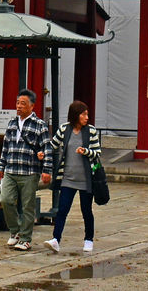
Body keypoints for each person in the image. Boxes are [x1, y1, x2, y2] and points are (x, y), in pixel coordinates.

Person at [42, 100, 102, 254]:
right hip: (67, 178)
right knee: (62, 210)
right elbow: (52, 146)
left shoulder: (91, 131)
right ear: (76, 115)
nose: (87, 117)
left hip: (86, 180)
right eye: (84, 114)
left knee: (86, 210)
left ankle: (88, 239)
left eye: (87, 114)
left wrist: (86, 151)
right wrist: (43, 152)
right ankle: (56, 239)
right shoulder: (64, 129)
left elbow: (97, 154)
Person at [0, 88, 50, 251]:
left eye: (23, 103)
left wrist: (47, 169)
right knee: (5, 200)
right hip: (11, 169)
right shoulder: (12, 124)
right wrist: (1, 166)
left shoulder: (39, 125)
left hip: (29, 172)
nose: (19, 106)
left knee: (28, 206)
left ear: (32, 106)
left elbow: (46, 148)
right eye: (17, 103)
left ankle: (26, 238)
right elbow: (5, 146)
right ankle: (15, 232)